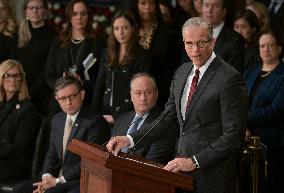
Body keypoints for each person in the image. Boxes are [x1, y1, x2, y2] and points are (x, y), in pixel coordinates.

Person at [106, 17, 248, 193]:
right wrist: (131, 139)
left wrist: (194, 161)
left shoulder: (229, 78)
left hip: (213, 177)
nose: (195, 50)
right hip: (180, 173)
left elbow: (234, 136)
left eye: (201, 43)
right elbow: (167, 119)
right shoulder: (181, 73)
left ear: (212, 42)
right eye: (189, 44)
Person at [13, 76, 110, 193]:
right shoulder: (57, 119)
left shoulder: (94, 121)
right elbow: (52, 153)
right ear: (57, 99)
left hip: (77, 180)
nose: (68, 102)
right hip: (55, 178)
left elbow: (91, 160)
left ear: (82, 94)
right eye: (63, 98)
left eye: (72, 96)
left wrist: (58, 181)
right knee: (19, 189)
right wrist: (46, 176)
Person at [92, 11, 152, 125]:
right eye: (116, 28)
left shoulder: (142, 56)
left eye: (125, 28)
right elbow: (99, 86)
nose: (121, 33)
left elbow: (140, 92)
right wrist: (95, 115)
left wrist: (117, 117)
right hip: (104, 112)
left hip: (129, 115)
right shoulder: (107, 53)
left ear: (133, 28)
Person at [45, 0, 103, 116]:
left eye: (83, 13)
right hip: (59, 106)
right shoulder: (58, 42)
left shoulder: (98, 43)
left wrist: (81, 83)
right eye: (74, 14)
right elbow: (48, 75)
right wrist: (63, 84)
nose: (79, 17)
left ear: (89, 16)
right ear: (69, 17)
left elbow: (101, 79)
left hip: (86, 103)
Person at [243, 31, 284, 193]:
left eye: (270, 45)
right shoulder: (250, 71)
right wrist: (242, 125)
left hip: (273, 143)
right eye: (262, 46)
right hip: (246, 139)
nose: (266, 49)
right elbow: (238, 101)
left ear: (279, 49)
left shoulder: (282, 75)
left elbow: (275, 110)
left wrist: (244, 118)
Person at [112, 73, 178, 164]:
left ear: (156, 94)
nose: (143, 98)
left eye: (148, 92)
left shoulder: (165, 126)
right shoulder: (121, 119)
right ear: (131, 95)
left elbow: (149, 166)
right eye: (138, 93)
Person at [128, 0, 180, 108]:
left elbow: (172, 66)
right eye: (143, 3)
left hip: (159, 92)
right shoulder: (129, 31)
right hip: (130, 90)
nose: (147, 7)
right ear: (136, 6)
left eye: (151, 3)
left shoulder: (166, 34)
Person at [9, 0, 56, 116]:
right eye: (31, 8)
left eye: (39, 8)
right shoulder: (18, 34)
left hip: (40, 91)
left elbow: (47, 69)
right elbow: (12, 62)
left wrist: (31, 91)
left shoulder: (52, 36)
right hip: (17, 88)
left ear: (45, 11)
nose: (35, 11)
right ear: (25, 11)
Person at [0, 59, 40, 183]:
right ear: (1, 78)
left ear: (22, 79)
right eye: (8, 75)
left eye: (16, 76)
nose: (12, 80)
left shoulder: (27, 108)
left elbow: (18, 147)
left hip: (13, 164)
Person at [201, 0, 245, 73]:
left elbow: (233, 75)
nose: (209, 10)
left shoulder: (235, 40)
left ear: (224, 11)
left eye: (215, 6)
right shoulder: (192, 35)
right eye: (206, 5)